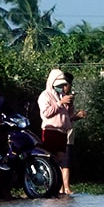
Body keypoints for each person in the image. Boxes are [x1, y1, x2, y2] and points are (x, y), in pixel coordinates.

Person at [37, 68, 84, 196]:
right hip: (51, 131)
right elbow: (46, 113)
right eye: (59, 85)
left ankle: (60, 187)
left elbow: (67, 115)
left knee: (61, 160)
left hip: (62, 132)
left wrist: (70, 105)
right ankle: (50, 186)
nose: (62, 87)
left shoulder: (61, 96)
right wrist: (60, 103)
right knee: (51, 160)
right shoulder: (45, 95)